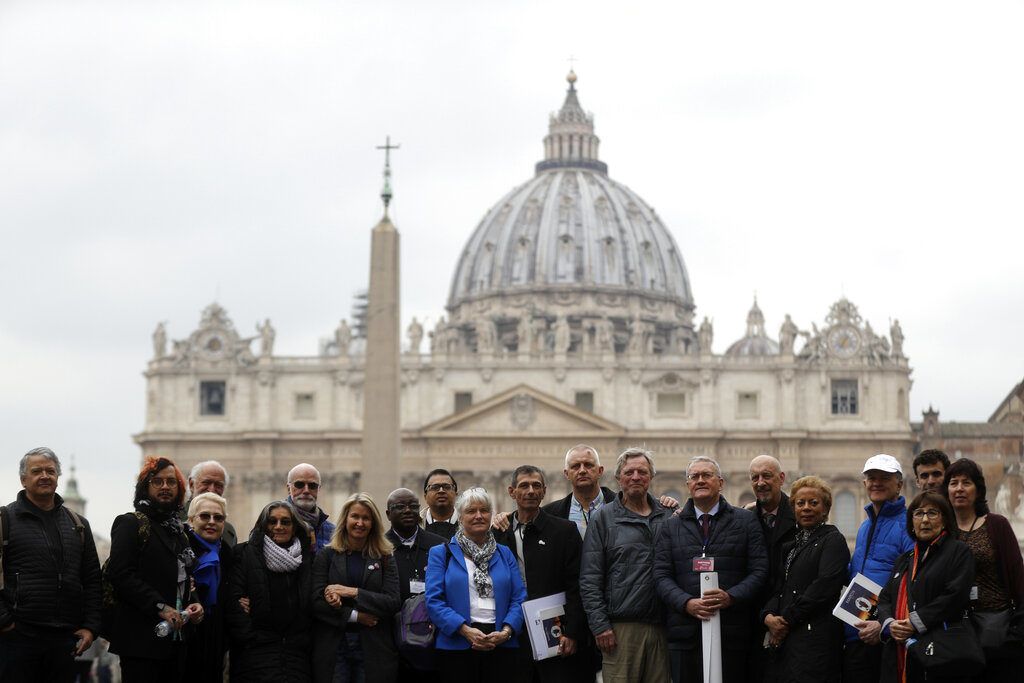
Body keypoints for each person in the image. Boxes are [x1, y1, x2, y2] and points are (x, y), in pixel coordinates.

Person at [654, 456, 768, 683]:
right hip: (685, 635)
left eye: (707, 475)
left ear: (721, 482)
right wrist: (686, 603)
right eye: (694, 477)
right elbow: (660, 575)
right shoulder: (670, 526)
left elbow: (759, 570)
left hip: (731, 633)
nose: (700, 480)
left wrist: (731, 597)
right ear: (688, 485)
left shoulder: (746, 521)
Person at [0, 447, 102, 682]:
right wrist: (4, 621)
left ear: (58, 477)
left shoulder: (78, 525)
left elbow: (92, 580)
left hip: (64, 637)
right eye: (37, 471)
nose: (45, 476)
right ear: (23, 479)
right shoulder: (4, 520)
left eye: (50, 471)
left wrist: (91, 627)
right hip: (17, 637)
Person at [106, 456, 203, 682]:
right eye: (157, 481)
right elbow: (120, 574)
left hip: (176, 639)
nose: (165, 487)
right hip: (141, 640)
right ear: (144, 487)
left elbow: (184, 578)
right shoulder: (130, 523)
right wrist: (159, 606)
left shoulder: (178, 530)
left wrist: (194, 602)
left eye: (171, 482)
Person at [580, 447, 672, 683]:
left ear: (651, 477)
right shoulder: (603, 518)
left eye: (642, 472)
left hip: (664, 627)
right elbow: (590, 578)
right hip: (620, 630)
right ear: (618, 478)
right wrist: (600, 626)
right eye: (629, 472)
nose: (635, 477)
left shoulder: (668, 516)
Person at [494, 465, 590, 683]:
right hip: (511, 628)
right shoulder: (499, 531)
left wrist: (573, 632)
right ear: (511, 492)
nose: (530, 491)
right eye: (524, 486)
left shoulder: (564, 531)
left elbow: (577, 585)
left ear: (544, 491)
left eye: (536, 486)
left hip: (555, 629)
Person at [425, 487, 527, 683]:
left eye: (484, 510)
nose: (478, 516)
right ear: (460, 517)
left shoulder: (504, 553)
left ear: (491, 515)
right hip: (457, 644)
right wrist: (465, 630)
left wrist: (506, 632)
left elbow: (519, 597)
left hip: (502, 644)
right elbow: (434, 601)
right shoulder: (441, 553)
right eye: (471, 511)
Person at [874, 492, 974, 683]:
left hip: (939, 651)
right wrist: (890, 624)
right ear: (911, 522)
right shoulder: (904, 559)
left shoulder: (958, 552)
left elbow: (955, 595)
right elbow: (885, 598)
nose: (925, 520)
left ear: (944, 520)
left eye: (932, 513)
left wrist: (915, 622)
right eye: (918, 514)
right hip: (899, 651)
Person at [759, 476, 849, 683]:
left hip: (817, 638)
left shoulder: (833, 539)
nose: (806, 508)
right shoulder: (790, 546)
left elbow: (824, 586)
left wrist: (786, 620)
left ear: (825, 509)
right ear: (794, 509)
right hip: (789, 640)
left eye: (813, 503)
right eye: (800, 503)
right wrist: (768, 616)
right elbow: (780, 587)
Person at [944, 458, 1024, 679]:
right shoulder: (943, 531)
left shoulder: (997, 525)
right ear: (947, 491)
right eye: (953, 483)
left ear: (978, 490)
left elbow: (1018, 577)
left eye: (966, 482)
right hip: (956, 629)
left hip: (995, 626)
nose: (959, 488)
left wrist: (1016, 633)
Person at [312, 492, 401, 683]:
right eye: (355, 516)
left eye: (366, 518)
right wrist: (356, 616)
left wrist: (353, 592)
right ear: (345, 519)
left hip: (373, 647)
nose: (360, 523)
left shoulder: (385, 556)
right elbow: (316, 602)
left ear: (373, 523)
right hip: (335, 647)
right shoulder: (327, 555)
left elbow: (392, 601)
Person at [843, 453, 914, 682]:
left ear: (899, 485)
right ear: (864, 484)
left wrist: (883, 625)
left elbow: (912, 584)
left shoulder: (908, 526)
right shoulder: (865, 526)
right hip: (857, 631)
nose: (877, 482)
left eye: (885, 477)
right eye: (872, 477)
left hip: (886, 636)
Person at [227, 500, 314, 682]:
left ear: (294, 526)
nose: (278, 526)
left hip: (297, 656)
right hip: (255, 655)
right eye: (272, 521)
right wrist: (249, 638)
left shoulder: (308, 560)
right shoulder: (244, 554)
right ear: (264, 525)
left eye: (285, 522)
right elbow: (234, 602)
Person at [744, 454, 796, 681]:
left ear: (782, 478)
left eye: (767, 476)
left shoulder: (800, 515)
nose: (760, 482)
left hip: (791, 619)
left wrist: (781, 617)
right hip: (754, 619)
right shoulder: (744, 518)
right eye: (755, 477)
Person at [385, 487, 446, 682]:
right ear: (388, 514)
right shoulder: (378, 547)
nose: (407, 510)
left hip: (434, 640)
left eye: (413, 506)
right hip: (393, 643)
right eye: (400, 506)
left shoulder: (440, 546)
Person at [184, 492, 232, 682]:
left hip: (215, 639)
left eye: (218, 518)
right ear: (191, 520)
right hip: (184, 639)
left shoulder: (228, 554)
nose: (212, 522)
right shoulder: (179, 549)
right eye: (205, 516)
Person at [184, 460, 237, 546]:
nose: (211, 490)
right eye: (206, 483)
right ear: (191, 484)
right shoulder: (173, 520)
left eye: (218, 485)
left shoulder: (228, 531)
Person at [286, 463, 336, 552]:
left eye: (312, 486)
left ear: (318, 489)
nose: (306, 490)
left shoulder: (333, 532)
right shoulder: (272, 524)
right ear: (288, 488)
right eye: (299, 484)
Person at [422, 469, 459, 539]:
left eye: (447, 487)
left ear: (456, 494)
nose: (441, 491)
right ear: (425, 496)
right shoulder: (415, 524)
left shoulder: (468, 522)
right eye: (435, 487)